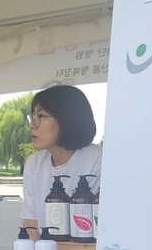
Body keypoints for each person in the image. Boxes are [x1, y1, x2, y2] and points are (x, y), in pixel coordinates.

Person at [20, 84, 101, 239]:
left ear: (67, 118)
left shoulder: (98, 161)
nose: (32, 124)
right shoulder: (34, 164)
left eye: (41, 116)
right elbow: (31, 225)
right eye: (33, 116)